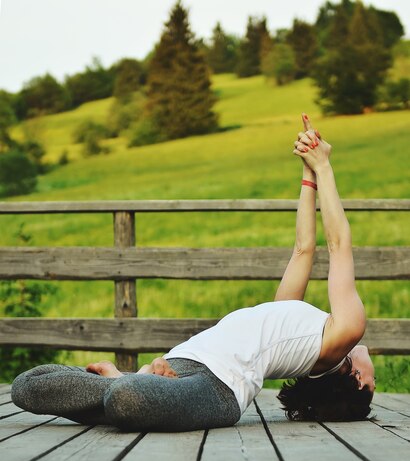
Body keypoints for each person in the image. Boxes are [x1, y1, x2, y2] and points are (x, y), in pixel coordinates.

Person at [11, 113, 375, 431]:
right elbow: (303, 249)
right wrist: (309, 172)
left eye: (373, 383)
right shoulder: (300, 331)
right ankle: (134, 385)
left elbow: (338, 245)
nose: (371, 361)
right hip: (181, 361)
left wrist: (326, 167)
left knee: (126, 400)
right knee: (27, 385)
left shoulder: (345, 330)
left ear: (358, 380)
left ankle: (128, 383)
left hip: (217, 391)